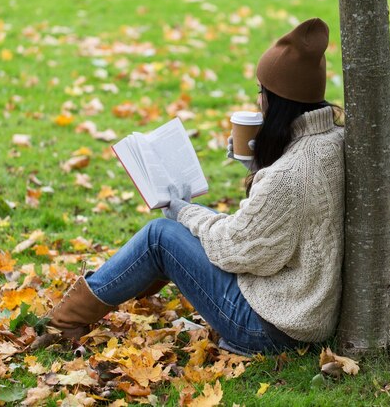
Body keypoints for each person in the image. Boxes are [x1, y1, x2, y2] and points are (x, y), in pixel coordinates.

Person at [47, 18, 345, 355]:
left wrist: (183, 212)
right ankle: (111, 294)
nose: (258, 102)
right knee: (188, 225)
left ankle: (61, 323)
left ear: (277, 104)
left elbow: (237, 249)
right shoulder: (335, 140)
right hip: (303, 306)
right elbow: (290, 222)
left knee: (159, 236)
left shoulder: (288, 175)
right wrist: (258, 167)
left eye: (262, 94)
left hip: (271, 328)